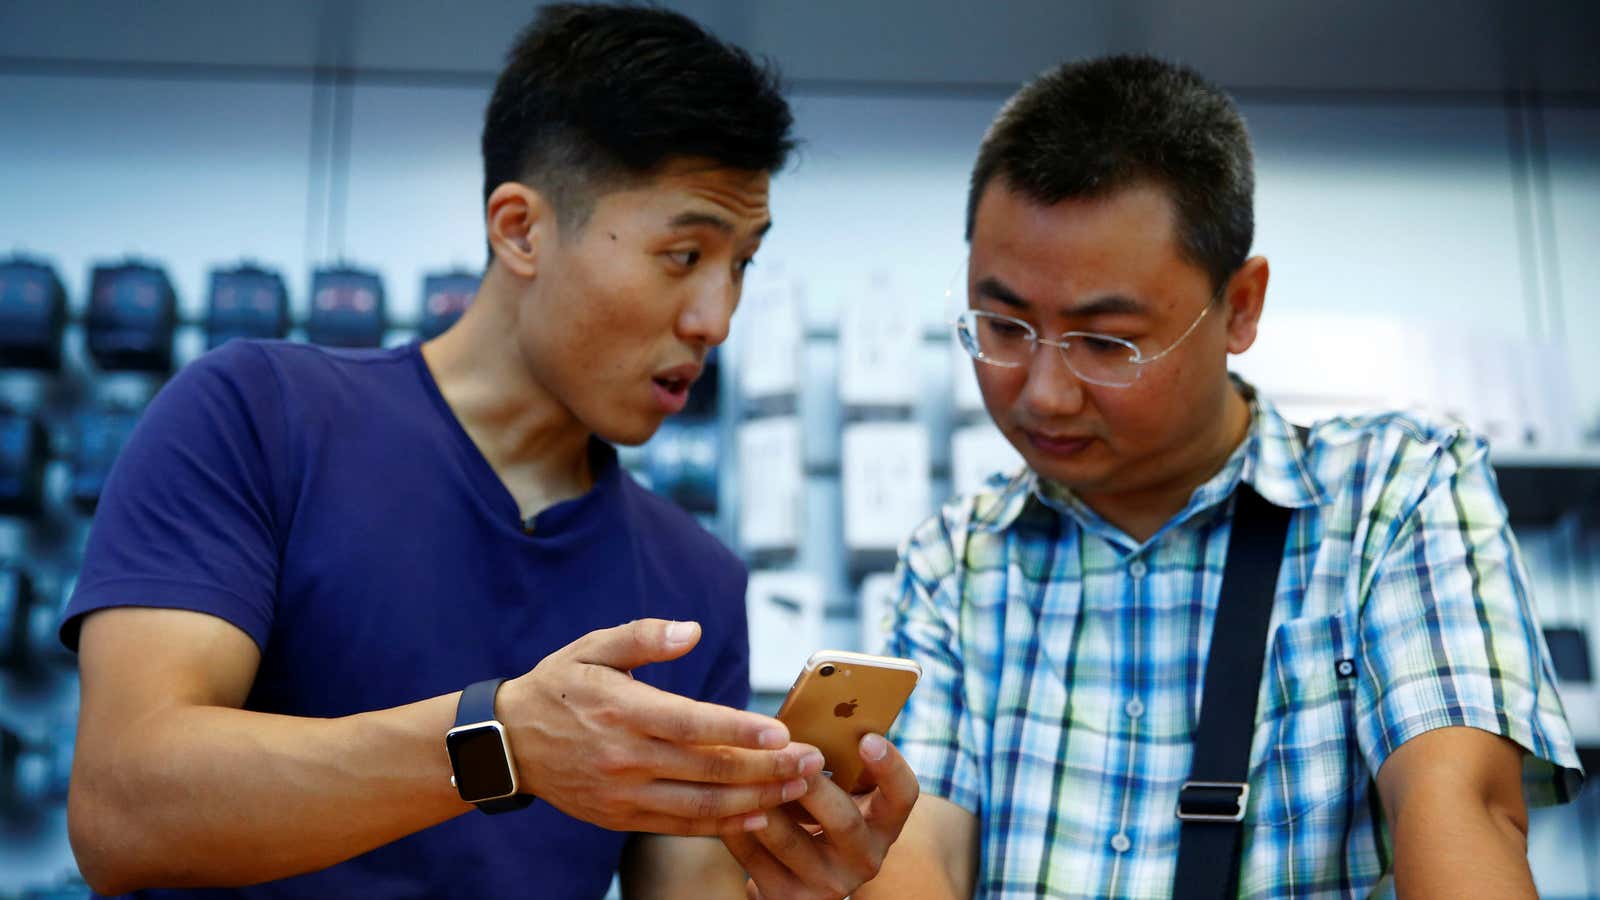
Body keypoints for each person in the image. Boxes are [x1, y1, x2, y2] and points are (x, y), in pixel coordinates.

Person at [59, 5, 916, 898]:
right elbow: (124, 806)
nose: (717, 318)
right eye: (684, 253)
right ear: (519, 230)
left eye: (741, 263)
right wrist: (499, 742)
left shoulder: (692, 582)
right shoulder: (256, 416)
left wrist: (795, 876)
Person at [858, 55, 1584, 899]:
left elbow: (1463, 808)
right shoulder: (959, 560)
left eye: (1108, 343)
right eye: (1004, 325)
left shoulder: (1394, 496)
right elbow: (914, 854)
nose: (1044, 392)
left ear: (1240, 306)